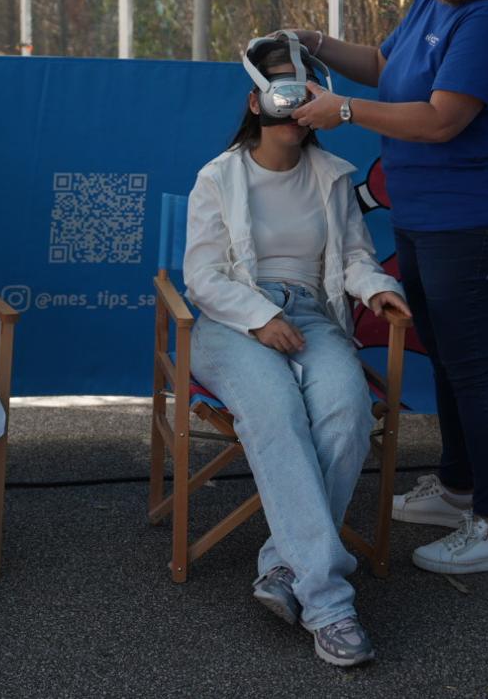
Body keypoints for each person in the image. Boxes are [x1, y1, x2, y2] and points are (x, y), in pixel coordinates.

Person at [288, 0, 488, 576]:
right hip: (427, 218)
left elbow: (439, 119)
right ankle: (459, 490)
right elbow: (382, 63)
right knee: (451, 359)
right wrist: (314, 41)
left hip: (475, 222)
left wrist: (342, 111)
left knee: (474, 368)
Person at [183, 33, 408, 668]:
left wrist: (377, 289)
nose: (293, 103)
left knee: (345, 411)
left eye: (304, 89)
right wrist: (261, 318)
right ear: (256, 103)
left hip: (311, 314)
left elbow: (356, 257)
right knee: (278, 412)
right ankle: (330, 604)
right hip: (232, 320)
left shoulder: (332, 177)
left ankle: (285, 565)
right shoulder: (219, 177)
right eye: (280, 90)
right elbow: (202, 277)